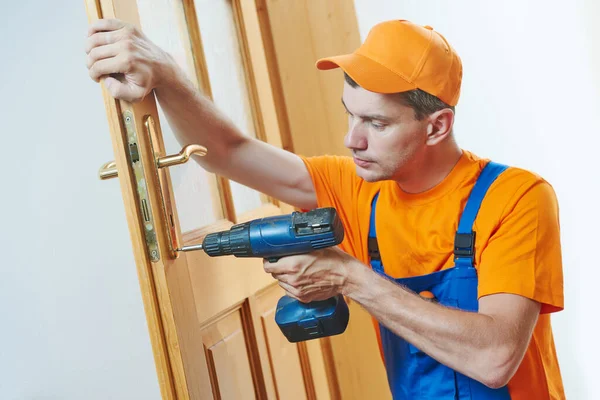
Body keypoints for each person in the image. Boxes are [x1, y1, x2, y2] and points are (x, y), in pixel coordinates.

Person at [85, 17, 565, 400]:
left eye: (375, 123)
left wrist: (349, 277)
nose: (351, 139)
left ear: (437, 126)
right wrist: (167, 75)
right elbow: (226, 152)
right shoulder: (357, 190)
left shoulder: (516, 197)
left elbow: (496, 359)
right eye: (349, 114)